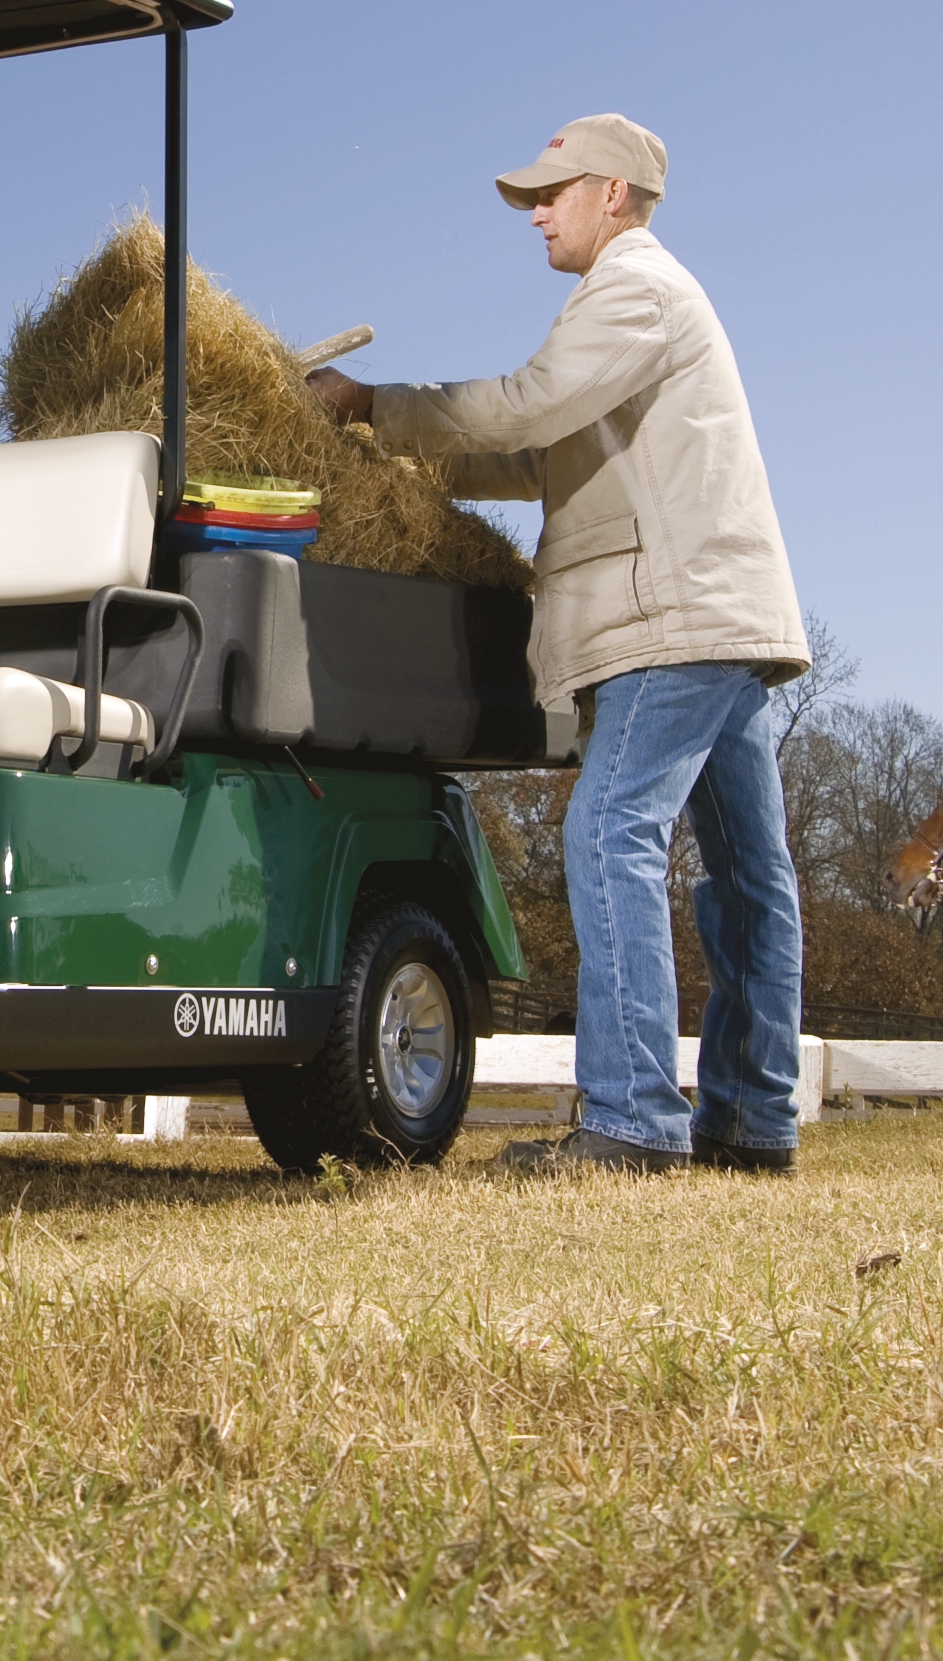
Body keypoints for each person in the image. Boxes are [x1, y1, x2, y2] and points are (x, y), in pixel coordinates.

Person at [307, 113, 812, 1174]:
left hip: (666, 616)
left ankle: (630, 1119)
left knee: (606, 833)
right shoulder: (646, 302)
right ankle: (752, 1121)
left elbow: (530, 408)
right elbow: (543, 460)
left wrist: (372, 405)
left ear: (613, 194)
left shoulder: (633, 288)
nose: (536, 208)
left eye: (553, 189)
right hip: (722, 615)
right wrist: (399, 455)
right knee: (745, 876)